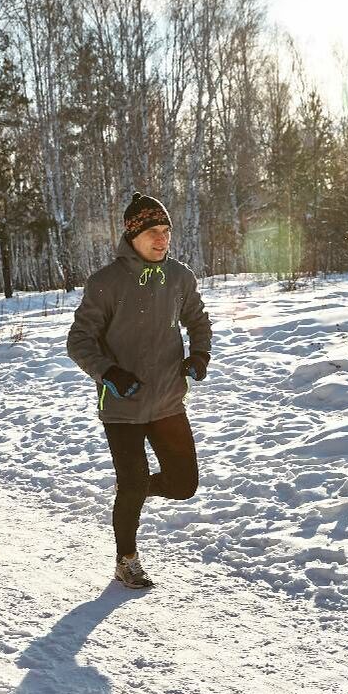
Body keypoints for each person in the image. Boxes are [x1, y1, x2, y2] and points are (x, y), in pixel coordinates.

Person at [66, 192, 213, 589]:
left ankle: (133, 490)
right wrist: (108, 371)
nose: (162, 239)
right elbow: (79, 341)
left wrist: (199, 355)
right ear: (132, 234)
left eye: (166, 230)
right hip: (122, 405)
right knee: (131, 484)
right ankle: (126, 559)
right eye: (153, 231)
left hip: (167, 400)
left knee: (184, 485)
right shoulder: (106, 283)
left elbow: (198, 320)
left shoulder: (179, 276)